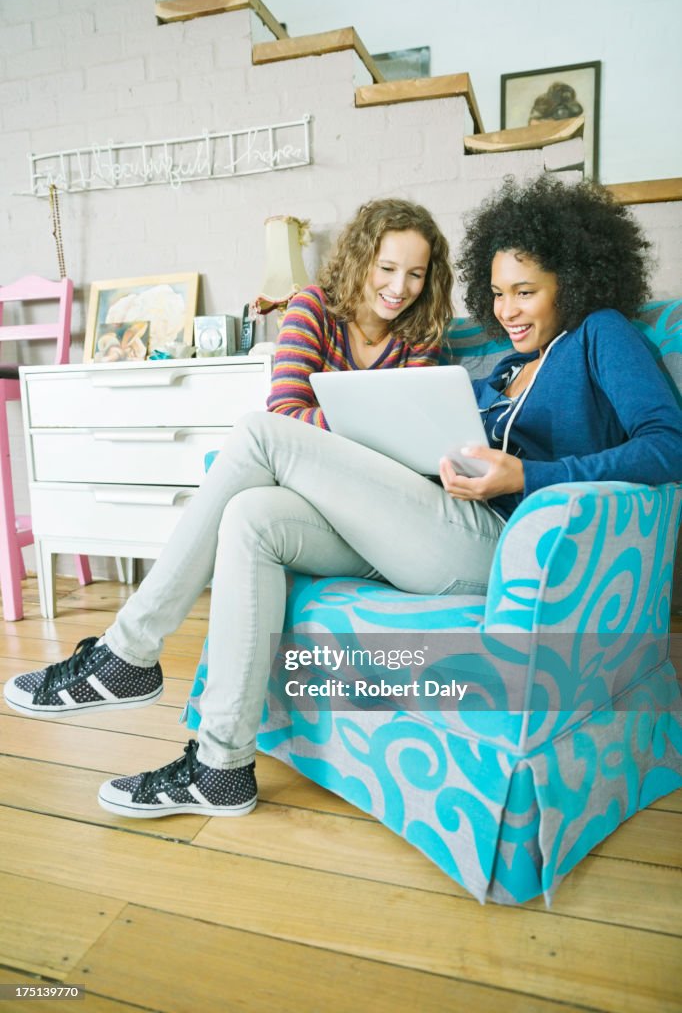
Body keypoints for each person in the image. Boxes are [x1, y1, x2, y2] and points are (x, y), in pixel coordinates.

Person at [5, 176, 681, 819]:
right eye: (499, 293)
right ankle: (221, 767)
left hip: (499, 544)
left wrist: (523, 477)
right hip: (430, 525)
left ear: (575, 282)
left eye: (525, 292)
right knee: (252, 517)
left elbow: (669, 443)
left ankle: (129, 652)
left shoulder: (599, 336)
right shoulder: (506, 366)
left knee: (259, 433)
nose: (505, 311)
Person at [265, 197, 452, 427]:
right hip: (311, 454)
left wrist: (352, 418)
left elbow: (411, 423)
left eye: (415, 274)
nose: (399, 288)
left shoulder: (423, 328)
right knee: (251, 428)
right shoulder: (312, 309)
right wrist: (371, 417)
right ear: (359, 261)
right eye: (387, 268)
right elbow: (283, 417)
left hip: (381, 461)